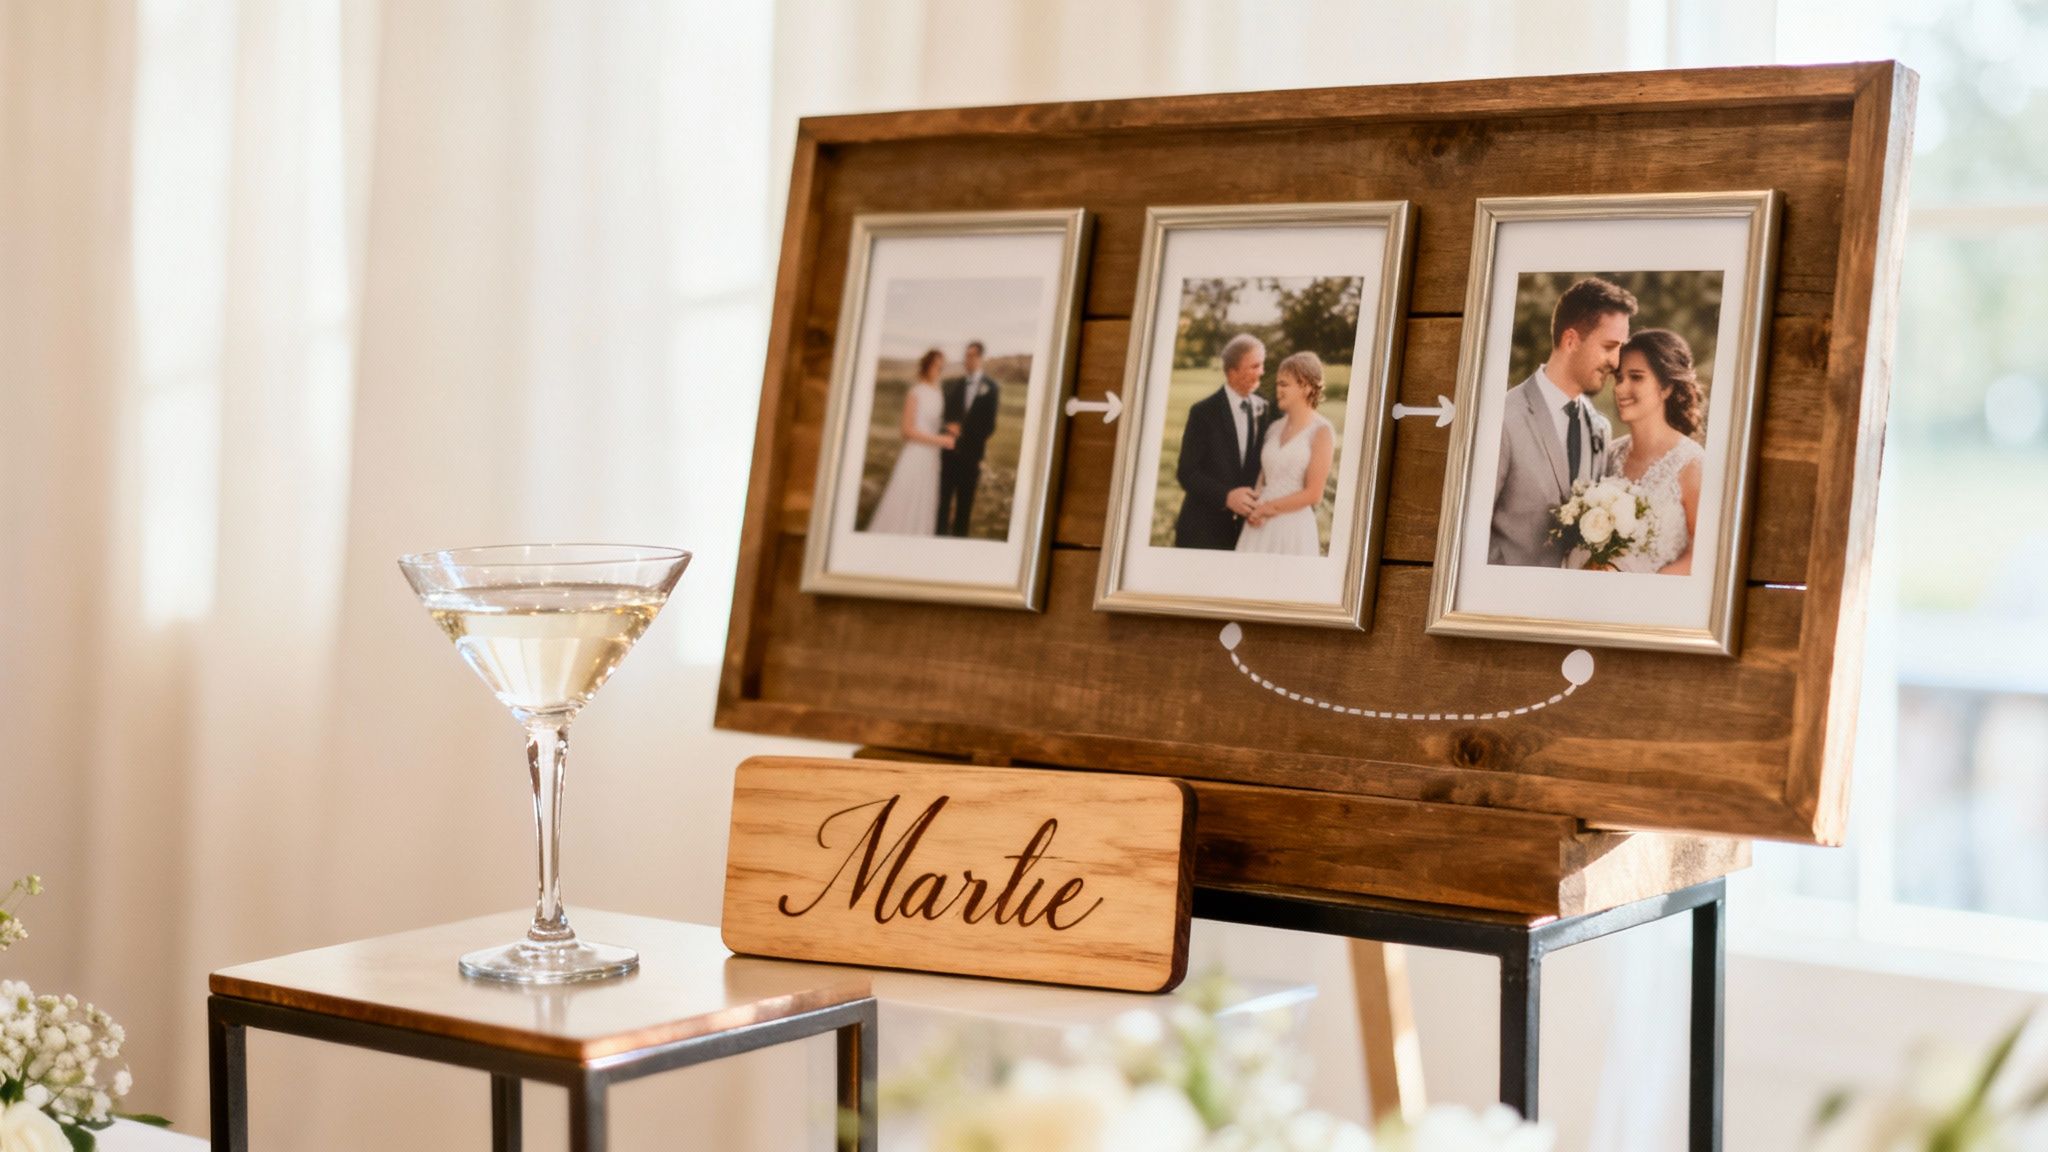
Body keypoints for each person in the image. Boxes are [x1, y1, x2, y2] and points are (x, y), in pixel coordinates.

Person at [1490, 277, 1635, 567]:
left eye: (1621, 348)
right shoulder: (1503, 417)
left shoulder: (1600, 429)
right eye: (1609, 346)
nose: (1616, 362)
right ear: (1570, 341)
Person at [1605, 328, 1705, 574]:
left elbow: (1704, 553)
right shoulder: (1607, 455)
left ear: (1666, 388)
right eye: (1619, 378)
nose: (1620, 388)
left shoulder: (1691, 464)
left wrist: (1643, 589)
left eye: (1636, 377)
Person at [1174, 333, 1269, 549]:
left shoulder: (1264, 408)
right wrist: (1226, 497)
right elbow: (1187, 473)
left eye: (1261, 365)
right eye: (1254, 366)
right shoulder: (1203, 413)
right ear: (1232, 371)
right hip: (1203, 532)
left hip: (1246, 533)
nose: (1261, 372)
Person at [1236, 352, 1335, 556]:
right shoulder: (1274, 428)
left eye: (1284, 384)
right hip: (1259, 524)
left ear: (1306, 387)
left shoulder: (1321, 431)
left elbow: (1314, 494)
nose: (1278, 390)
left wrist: (1268, 508)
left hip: (1293, 527)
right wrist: (1254, 509)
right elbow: (1263, 479)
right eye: (1278, 384)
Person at [863, 349, 955, 535]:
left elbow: (935, 423)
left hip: (931, 456)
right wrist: (939, 440)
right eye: (936, 365)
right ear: (927, 366)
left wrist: (950, 430)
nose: (939, 369)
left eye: (941, 366)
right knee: (907, 496)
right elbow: (907, 431)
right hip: (916, 453)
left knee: (925, 500)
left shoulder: (938, 393)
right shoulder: (916, 392)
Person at [937, 340, 1000, 537]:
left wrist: (965, 434)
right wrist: (948, 427)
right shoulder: (952, 385)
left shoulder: (991, 388)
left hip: (972, 456)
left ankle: (958, 543)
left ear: (981, 358)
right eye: (966, 355)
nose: (968, 360)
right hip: (948, 453)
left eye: (972, 356)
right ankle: (937, 537)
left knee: (964, 504)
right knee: (943, 501)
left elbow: (989, 426)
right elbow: (943, 417)